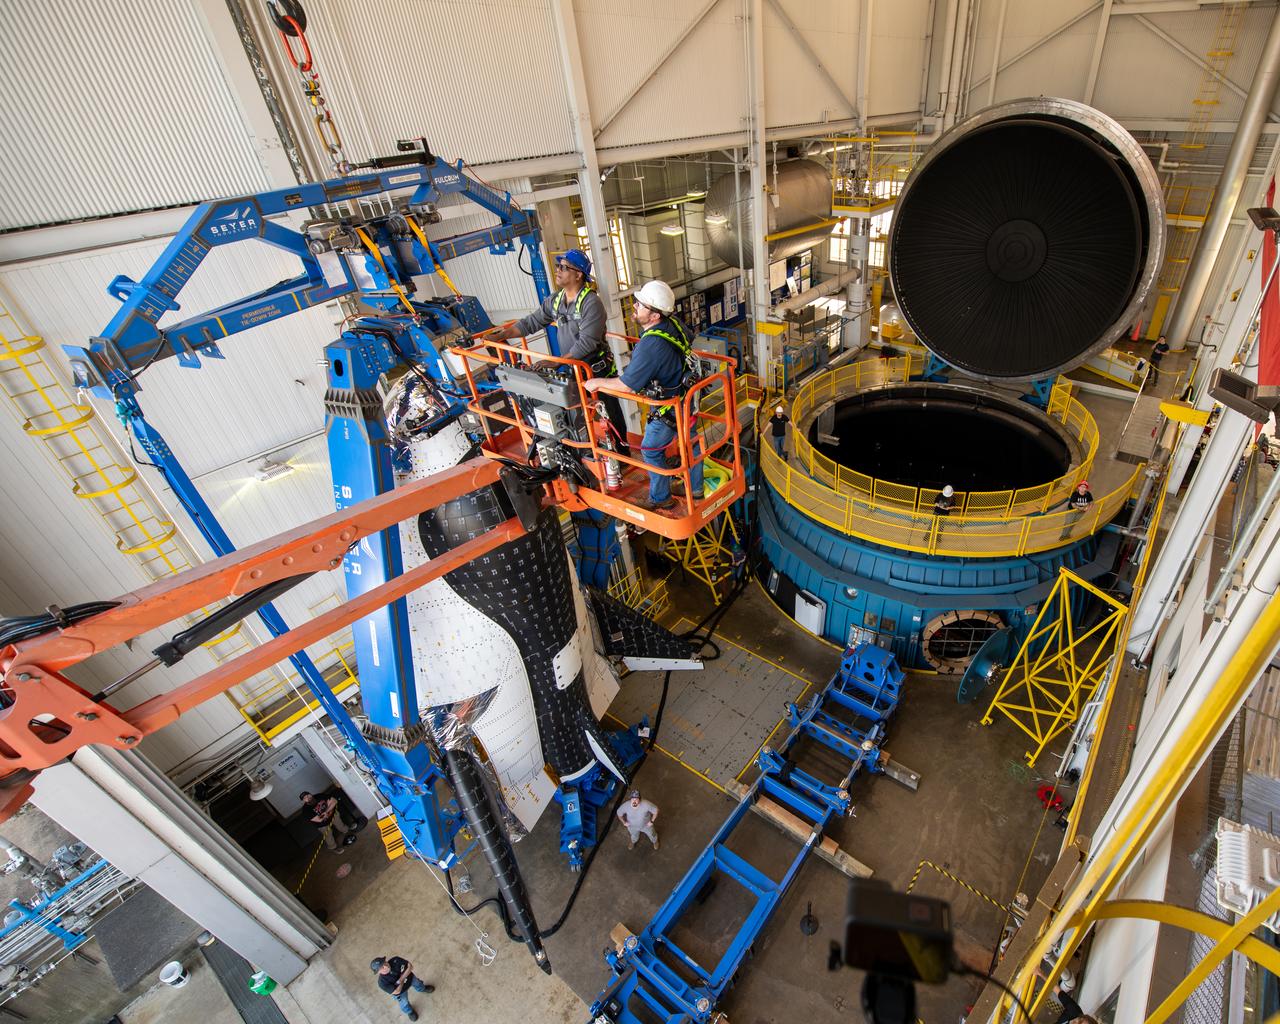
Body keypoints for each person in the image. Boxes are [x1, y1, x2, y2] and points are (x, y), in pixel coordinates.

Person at [490, 248, 629, 456]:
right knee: (574, 413)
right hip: (572, 367)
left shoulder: (591, 303)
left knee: (608, 412)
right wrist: (503, 334)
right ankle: (583, 451)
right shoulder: (556, 300)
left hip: (594, 369)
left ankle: (622, 454)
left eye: (563, 267)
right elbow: (533, 321)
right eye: (558, 266)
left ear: (578, 274)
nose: (558, 270)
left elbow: (587, 343)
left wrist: (556, 362)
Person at [585, 280, 703, 512]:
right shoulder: (674, 325)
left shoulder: (651, 346)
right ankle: (696, 487)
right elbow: (686, 340)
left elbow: (626, 386)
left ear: (654, 316)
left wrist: (595, 382)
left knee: (650, 450)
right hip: (686, 400)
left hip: (668, 408)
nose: (635, 306)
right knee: (691, 442)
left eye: (641, 305)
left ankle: (661, 497)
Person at [372, 955, 434, 1020]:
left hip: (410, 978)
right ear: (378, 972)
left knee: (418, 983)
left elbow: (410, 967)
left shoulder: (395, 960)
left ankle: (422, 988)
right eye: (381, 967)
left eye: (384, 963)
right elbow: (397, 991)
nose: (385, 966)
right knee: (404, 1002)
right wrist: (403, 977)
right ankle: (410, 1011)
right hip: (401, 992)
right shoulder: (382, 982)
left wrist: (400, 980)